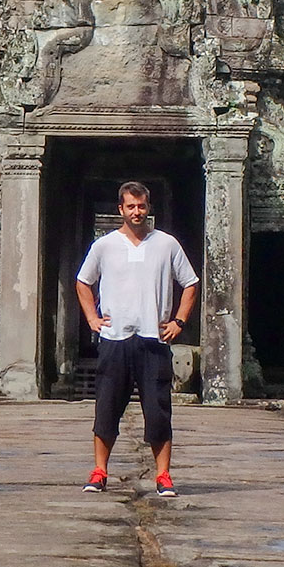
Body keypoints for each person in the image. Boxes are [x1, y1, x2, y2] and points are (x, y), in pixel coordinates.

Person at [75, 180, 199, 497]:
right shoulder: (104, 246)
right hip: (115, 338)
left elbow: (190, 283)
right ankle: (99, 471)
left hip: (153, 339)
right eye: (130, 206)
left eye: (141, 206)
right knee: (107, 407)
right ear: (121, 209)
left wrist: (179, 321)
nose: (137, 212)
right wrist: (92, 318)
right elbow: (83, 282)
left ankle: (163, 475)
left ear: (148, 207)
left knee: (158, 410)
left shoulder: (166, 244)